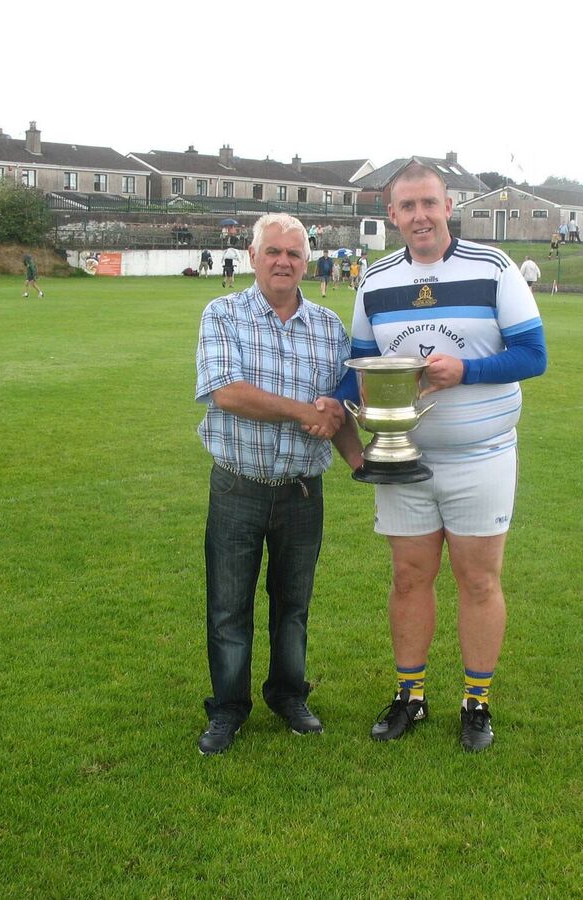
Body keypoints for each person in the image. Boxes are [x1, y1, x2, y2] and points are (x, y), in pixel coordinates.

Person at [349, 164, 548, 753]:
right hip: (401, 459)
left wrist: (467, 370)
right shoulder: (375, 281)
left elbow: (533, 355)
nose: (420, 216)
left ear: (449, 204)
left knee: (479, 580)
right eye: (407, 206)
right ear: (392, 215)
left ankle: (476, 702)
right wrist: (332, 408)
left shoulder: (494, 269)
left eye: (429, 203)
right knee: (409, 578)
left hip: (481, 456)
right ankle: (410, 695)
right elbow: (358, 369)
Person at [194, 213, 359, 756]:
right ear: (252, 257)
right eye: (273, 252)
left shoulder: (330, 328)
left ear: (306, 262)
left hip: (302, 493)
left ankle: (289, 695)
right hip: (238, 486)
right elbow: (227, 392)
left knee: (293, 605)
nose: (283, 261)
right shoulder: (222, 314)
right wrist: (302, 413)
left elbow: (337, 411)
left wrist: (361, 461)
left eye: (293, 253)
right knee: (228, 606)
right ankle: (228, 708)